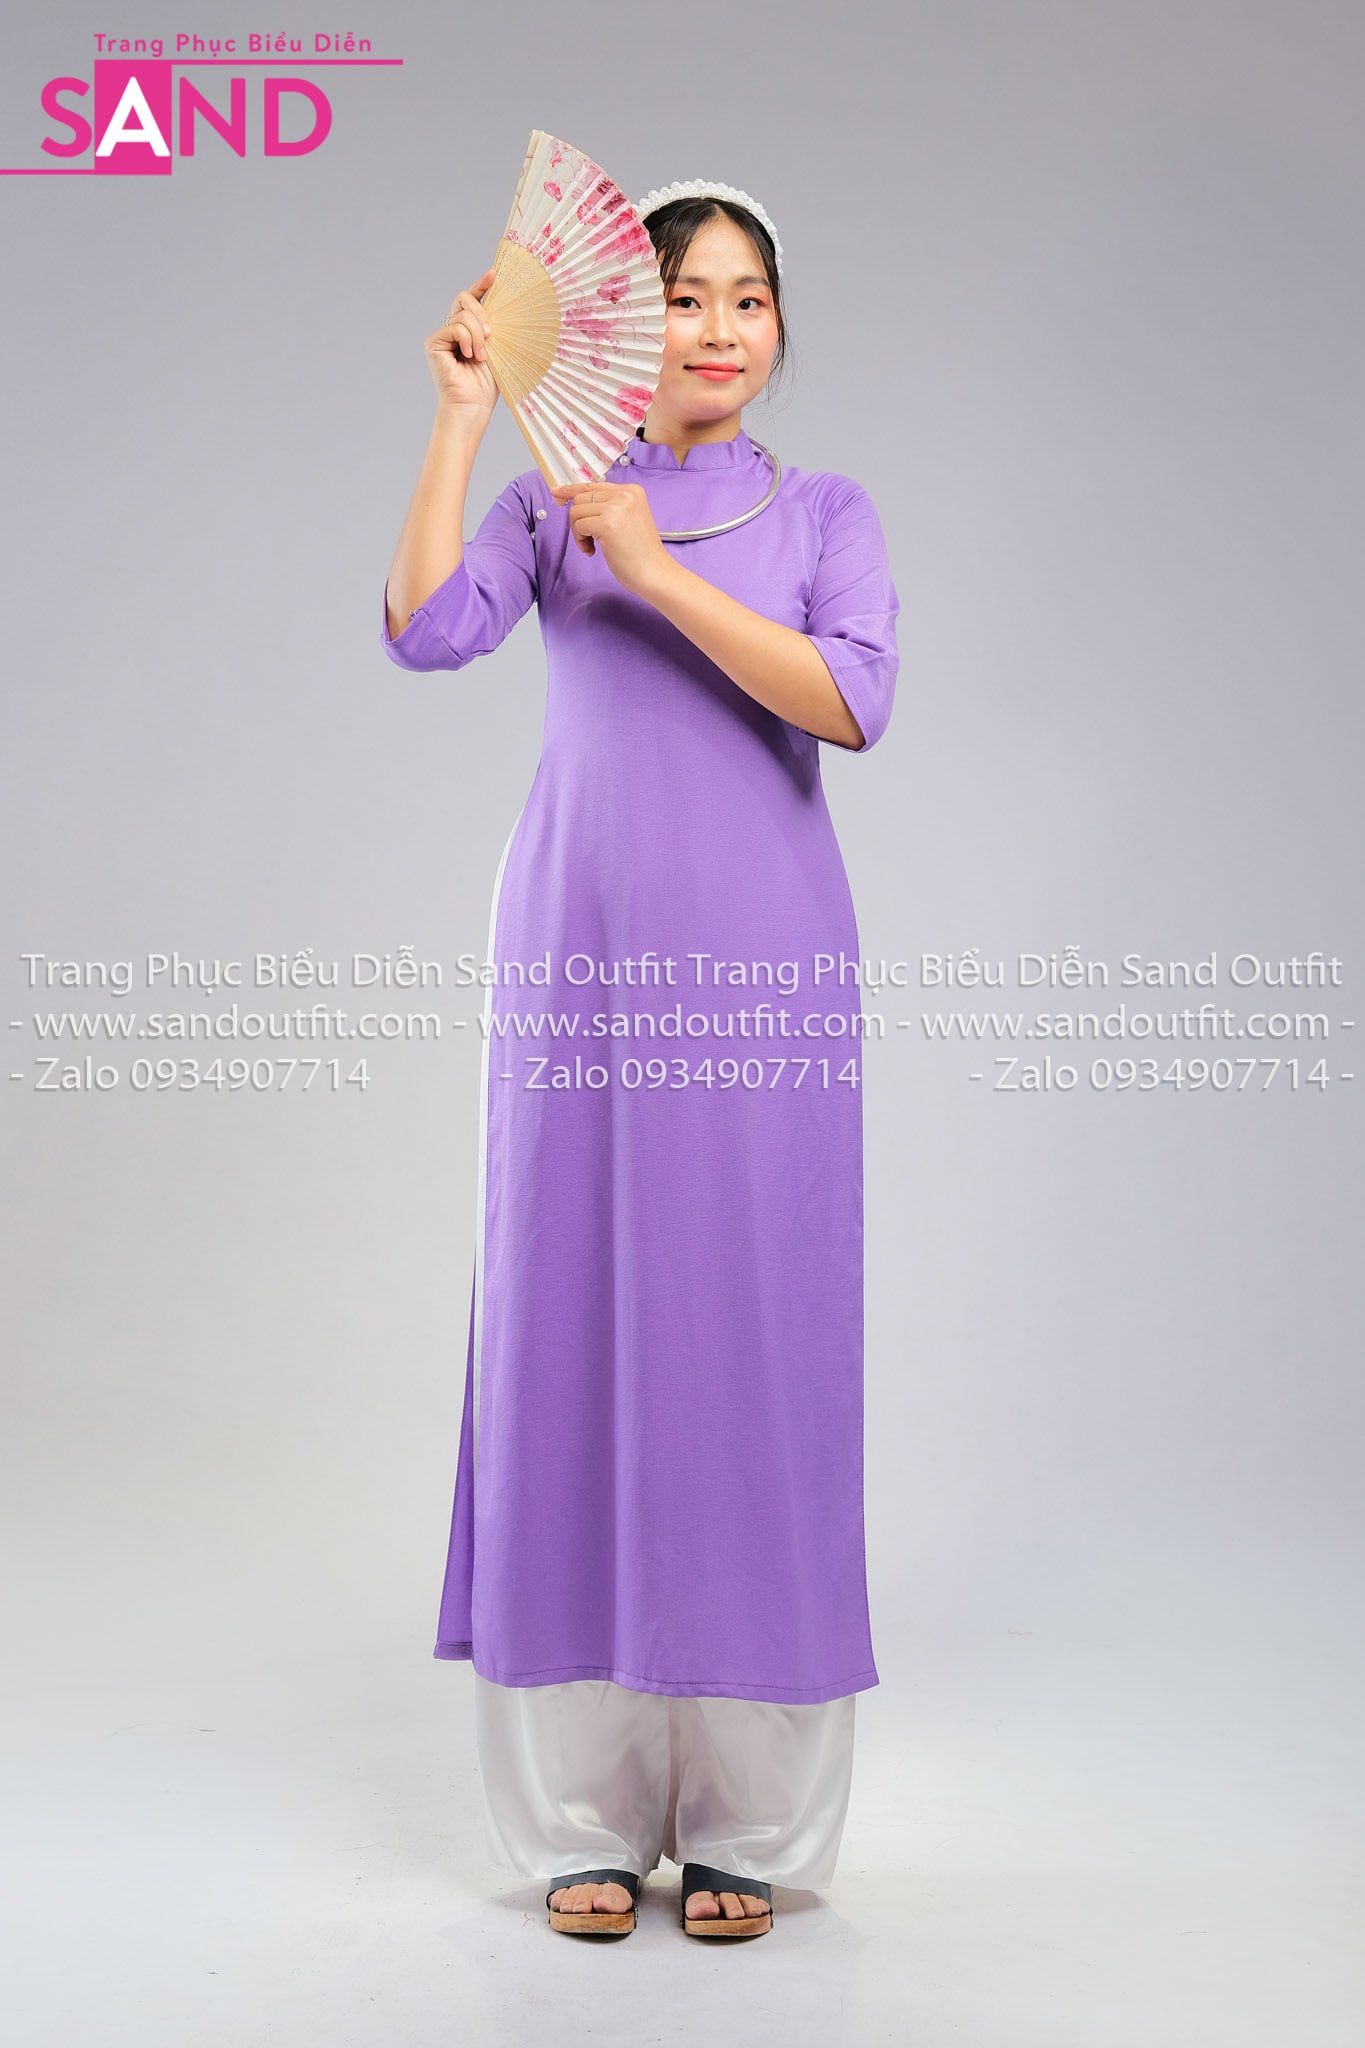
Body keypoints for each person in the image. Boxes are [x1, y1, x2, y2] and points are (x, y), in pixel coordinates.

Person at [381, 177, 900, 1940]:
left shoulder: (820, 510)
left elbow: (850, 698)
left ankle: (751, 1822)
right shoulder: (550, 498)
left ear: (777, 325)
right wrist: (461, 419)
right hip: (579, 959)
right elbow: (424, 628)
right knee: (573, 1331)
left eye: (748, 297)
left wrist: (660, 575)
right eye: (685, 296)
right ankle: (581, 1821)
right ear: (619, 322)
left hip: (759, 970)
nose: (720, 328)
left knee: (748, 1341)